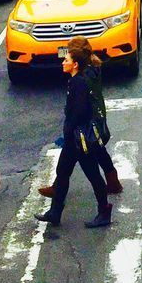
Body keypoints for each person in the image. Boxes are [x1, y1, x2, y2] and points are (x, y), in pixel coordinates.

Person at [37, 47, 112, 228]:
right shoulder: (75, 80)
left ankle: (104, 211)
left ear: (75, 64)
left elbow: (80, 112)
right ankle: (55, 212)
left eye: (66, 60)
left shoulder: (79, 83)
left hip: (80, 141)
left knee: (93, 175)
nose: (63, 63)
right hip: (73, 140)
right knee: (62, 173)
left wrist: (68, 128)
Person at [39, 36, 122, 199]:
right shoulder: (93, 66)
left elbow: (82, 103)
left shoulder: (84, 75)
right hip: (94, 118)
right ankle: (112, 183)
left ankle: (62, 190)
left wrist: (70, 126)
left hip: (86, 123)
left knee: (83, 158)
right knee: (97, 151)